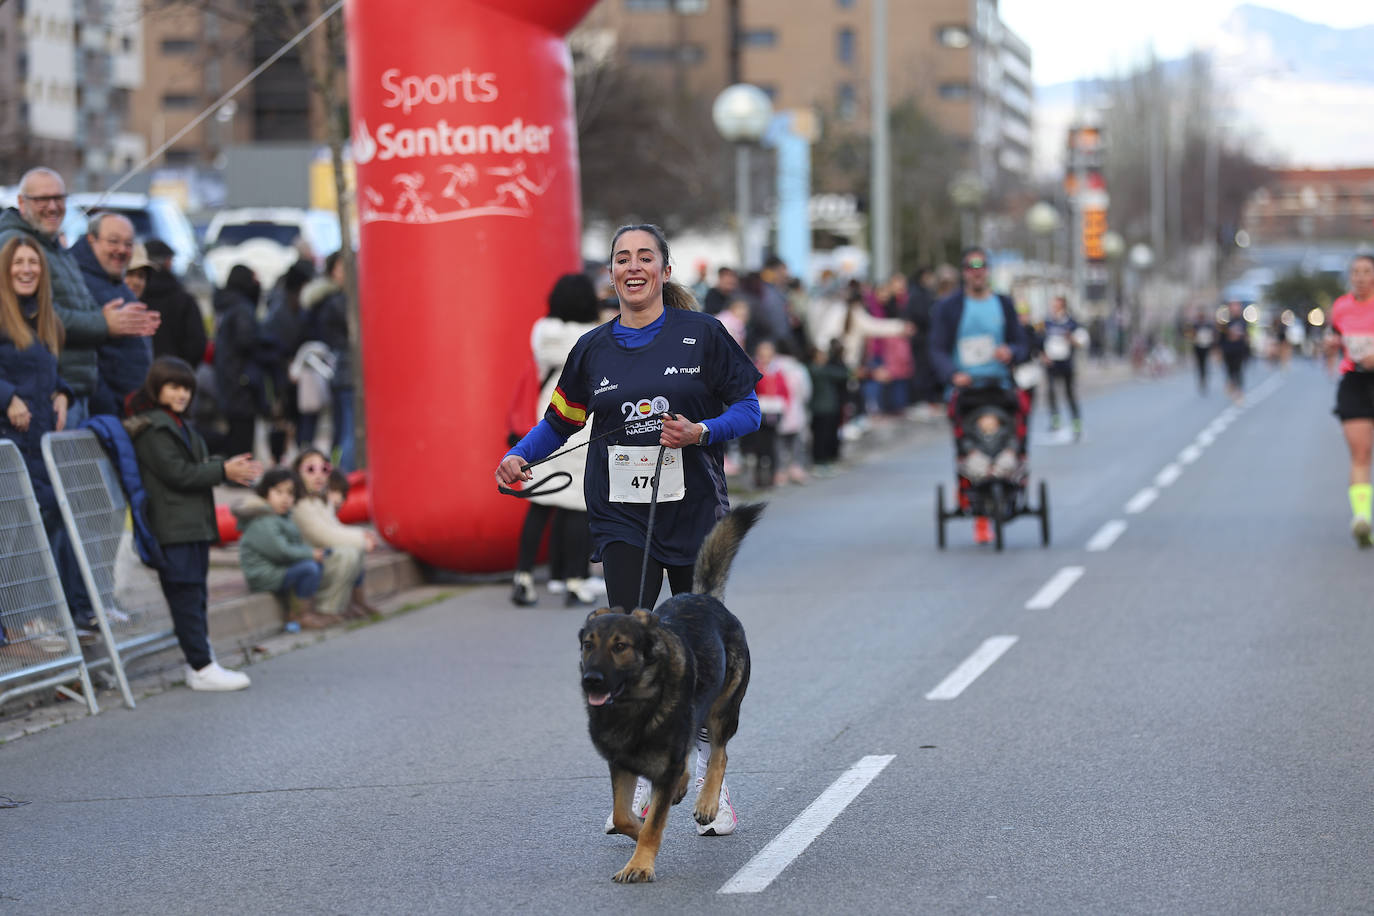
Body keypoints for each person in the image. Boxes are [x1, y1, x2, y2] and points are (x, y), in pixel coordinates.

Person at [496, 223, 762, 838]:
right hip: (620, 512)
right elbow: (559, 421)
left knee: (700, 647)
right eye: (623, 259)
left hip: (692, 507)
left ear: (665, 271)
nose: (634, 267)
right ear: (611, 274)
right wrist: (520, 456)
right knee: (628, 642)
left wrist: (701, 432)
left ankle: (706, 773)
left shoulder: (703, 336)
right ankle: (648, 772)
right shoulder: (592, 349)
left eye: (646, 257)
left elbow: (748, 408)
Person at [124, 356, 261, 690]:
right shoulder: (153, 427)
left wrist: (222, 467)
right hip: (174, 527)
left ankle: (200, 658)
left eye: (186, 388)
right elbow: (178, 474)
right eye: (173, 387)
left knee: (196, 593)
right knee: (185, 594)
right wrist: (223, 471)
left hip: (192, 524)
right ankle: (201, 667)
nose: (182, 394)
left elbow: (190, 467)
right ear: (156, 389)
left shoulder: (179, 423)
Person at [0, 167, 160, 428]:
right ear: (22, 203)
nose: (52, 207)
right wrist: (105, 324)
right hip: (42, 398)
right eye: (42, 200)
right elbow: (37, 315)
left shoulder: (55, 248)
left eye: (59, 198)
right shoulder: (15, 245)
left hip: (68, 392)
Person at [0, 236, 77, 655]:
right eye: (19, 262)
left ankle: (22, 622)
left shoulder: (46, 321)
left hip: (35, 447)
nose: (27, 269)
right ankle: (8, 631)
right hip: (7, 449)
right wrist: (6, 397)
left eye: (34, 263)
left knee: (28, 542)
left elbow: (45, 372)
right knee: (5, 541)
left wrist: (62, 391)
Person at [509, 273, 603, 608]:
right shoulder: (592, 337)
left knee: (541, 501)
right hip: (579, 418)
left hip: (547, 413)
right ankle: (573, 580)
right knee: (576, 503)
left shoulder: (541, 333)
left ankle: (523, 576)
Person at [929, 247, 1030, 545]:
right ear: (964, 272)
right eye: (971, 267)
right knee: (967, 443)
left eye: (982, 266)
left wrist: (1010, 352)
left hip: (999, 385)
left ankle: (1013, 477)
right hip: (966, 389)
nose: (977, 272)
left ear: (988, 271)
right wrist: (951, 374)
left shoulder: (1003, 304)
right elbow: (936, 348)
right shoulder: (950, 308)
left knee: (1014, 430)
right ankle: (978, 512)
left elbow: (1021, 342)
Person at [232, 468, 353, 630]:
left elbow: (294, 544)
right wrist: (310, 554)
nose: (285, 498)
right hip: (263, 575)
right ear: (265, 492)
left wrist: (313, 552)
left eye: (290, 494)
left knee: (319, 563)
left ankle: (318, 610)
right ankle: (301, 615)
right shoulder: (262, 520)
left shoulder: (283, 516)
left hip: (278, 567)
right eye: (278, 492)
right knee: (309, 568)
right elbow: (281, 551)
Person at [71, 213, 154, 418]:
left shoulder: (113, 279)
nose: (122, 250)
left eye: (128, 244)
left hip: (129, 408)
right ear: (92, 240)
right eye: (113, 241)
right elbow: (80, 351)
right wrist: (110, 407)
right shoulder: (78, 282)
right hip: (106, 413)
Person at [291, 447, 381, 619]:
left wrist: (363, 536)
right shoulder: (301, 505)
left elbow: (336, 528)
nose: (318, 475)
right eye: (310, 469)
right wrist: (361, 539)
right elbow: (324, 536)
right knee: (347, 554)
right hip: (307, 556)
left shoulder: (320, 500)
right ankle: (328, 608)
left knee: (353, 550)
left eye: (324, 469)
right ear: (297, 473)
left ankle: (348, 603)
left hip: (322, 552)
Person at [1324, 254, 1374, 548]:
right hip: (1354, 382)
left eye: (1367, 271)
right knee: (1360, 453)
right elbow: (1334, 338)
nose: (1360, 277)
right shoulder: (1341, 307)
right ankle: (1362, 518)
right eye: (1355, 272)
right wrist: (1331, 346)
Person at [300, 252, 357, 471]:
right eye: (344, 267)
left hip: (340, 371)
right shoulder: (338, 302)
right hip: (346, 372)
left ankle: (337, 473)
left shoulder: (327, 299)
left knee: (342, 431)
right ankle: (344, 477)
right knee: (349, 432)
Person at [212, 264, 268, 461]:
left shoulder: (226, 304)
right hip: (242, 381)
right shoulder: (243, 308)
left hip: (228, 378)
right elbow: (247, 341)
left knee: (235, 429)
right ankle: (241, 474)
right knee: (243, 433)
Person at [140, 239, 207, 369]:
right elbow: (197, 343)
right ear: (168, 262)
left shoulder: (131, 298)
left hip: (139, 377)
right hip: (176, 377)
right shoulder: (183, 299)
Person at [1041, 295, 1083, 439]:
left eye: (1057, 305)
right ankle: (1055, 420)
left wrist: (1071, 338)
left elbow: (1081, 342)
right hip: (1051, 363)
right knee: (1051, 392)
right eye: (1053, 306)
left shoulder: (1071, 323)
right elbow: (1041, 340)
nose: (1054, 308)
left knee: (1069, 394)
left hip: (1066, 363)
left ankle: (1076, 422)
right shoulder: (1047, 322)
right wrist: (1043, 356)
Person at [1220, 300, 1251, 404]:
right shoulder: (1225, 321)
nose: (1235, 309)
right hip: (1228, 350)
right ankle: (1231, 385)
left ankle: (1239, 392)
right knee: (1230, 370)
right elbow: (1221, 336)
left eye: (1237, 306)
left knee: (1238, 370)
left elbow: (1246, 336)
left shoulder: (1243, 321)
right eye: (1233, 306)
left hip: (1239, 350)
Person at [1186, 306, 1216, 394]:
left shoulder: (1208, 324)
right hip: (1198, 347)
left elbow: (1213, 334)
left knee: (1205, 363)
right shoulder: (1195, 324)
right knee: (1200, 364)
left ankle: (1205, 378)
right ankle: (1201, 378)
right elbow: (1190, 334)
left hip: (1206, 346)